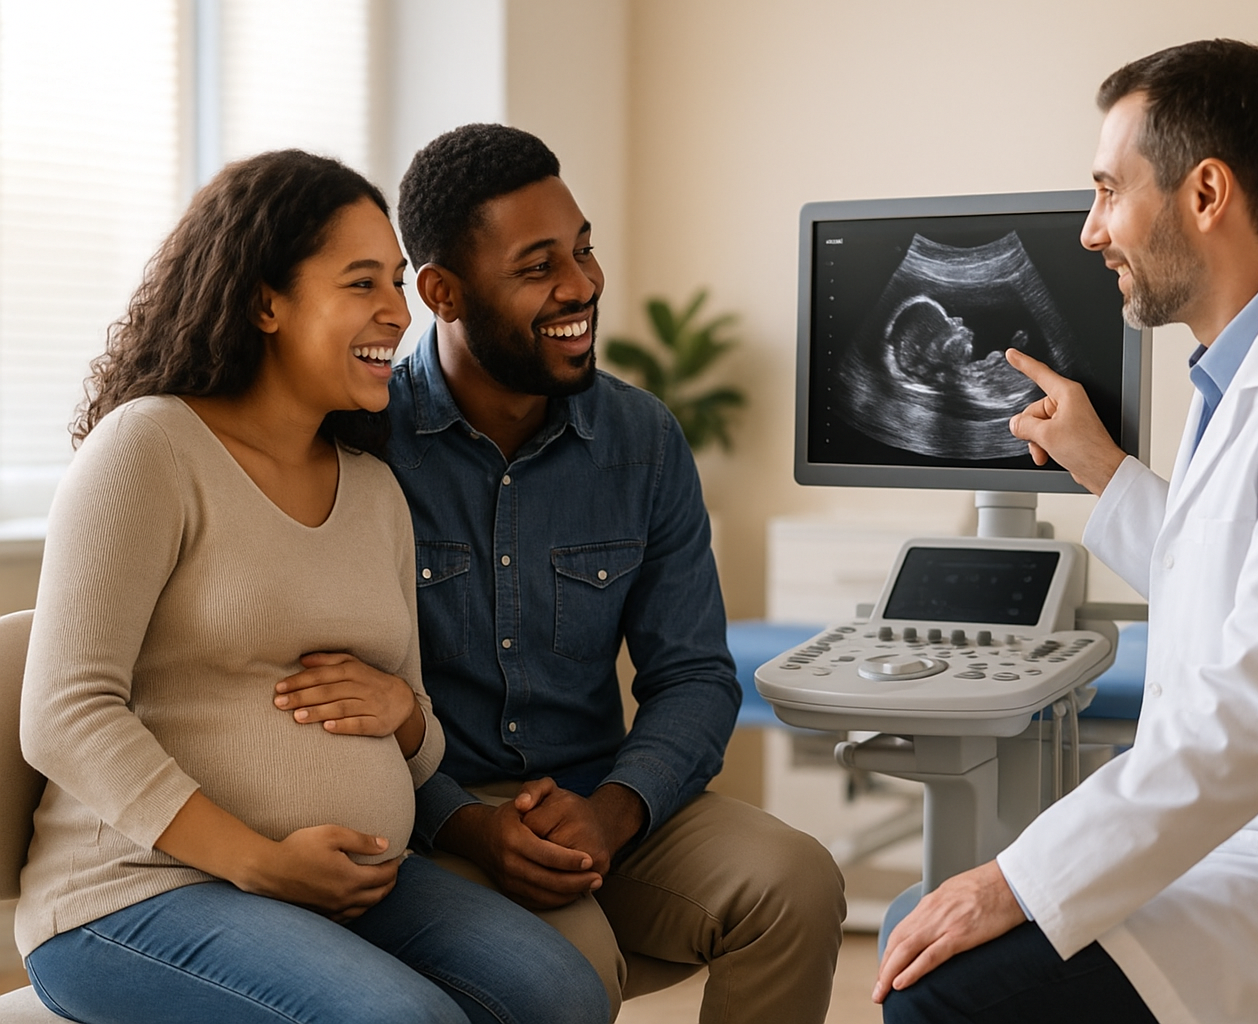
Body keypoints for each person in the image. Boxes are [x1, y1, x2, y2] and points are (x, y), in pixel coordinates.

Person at [875, 39, 1258, 1024]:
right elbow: (1228, 573)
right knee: (918, 935)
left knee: (941, 992)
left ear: (1206, 193)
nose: (1091, 231)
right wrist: (1103, 469)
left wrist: (1014, 877)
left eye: (1108, 191)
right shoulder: (1245, 374)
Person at [17, 149, 609, 1024]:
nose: (397, 313)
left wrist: (405, 715)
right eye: (361, 282)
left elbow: (422, 739)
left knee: (563, 992)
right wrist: (257, 860)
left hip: (354, 881)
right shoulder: (151, 449)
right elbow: (63, 713)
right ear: (266, 302)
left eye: (399, 282)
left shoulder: (373, 491)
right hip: (137, 892)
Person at [385, 123, 846, 1023]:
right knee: (574, 958)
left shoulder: (643, 441)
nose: (583, 286)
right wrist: (465, 821)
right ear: (442, 291)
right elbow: (344, 704)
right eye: (538, 266)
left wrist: (617, 810)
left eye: (585, 250)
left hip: (605, 798)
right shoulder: (368, 446)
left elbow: (695, 677)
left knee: (797, 882)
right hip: (428, 816)